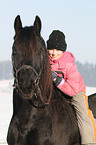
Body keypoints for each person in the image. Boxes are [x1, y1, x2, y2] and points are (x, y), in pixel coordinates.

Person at [47, 30, 96, 145]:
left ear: (63, 50)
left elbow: (73, 90)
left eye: (58, 50)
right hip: (54, 93)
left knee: (83, 114)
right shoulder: (46, 61)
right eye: (51, 49)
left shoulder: (69, 64)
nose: (54, 53)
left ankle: (89, 141)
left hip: (75, 92)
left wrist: (58, 81)